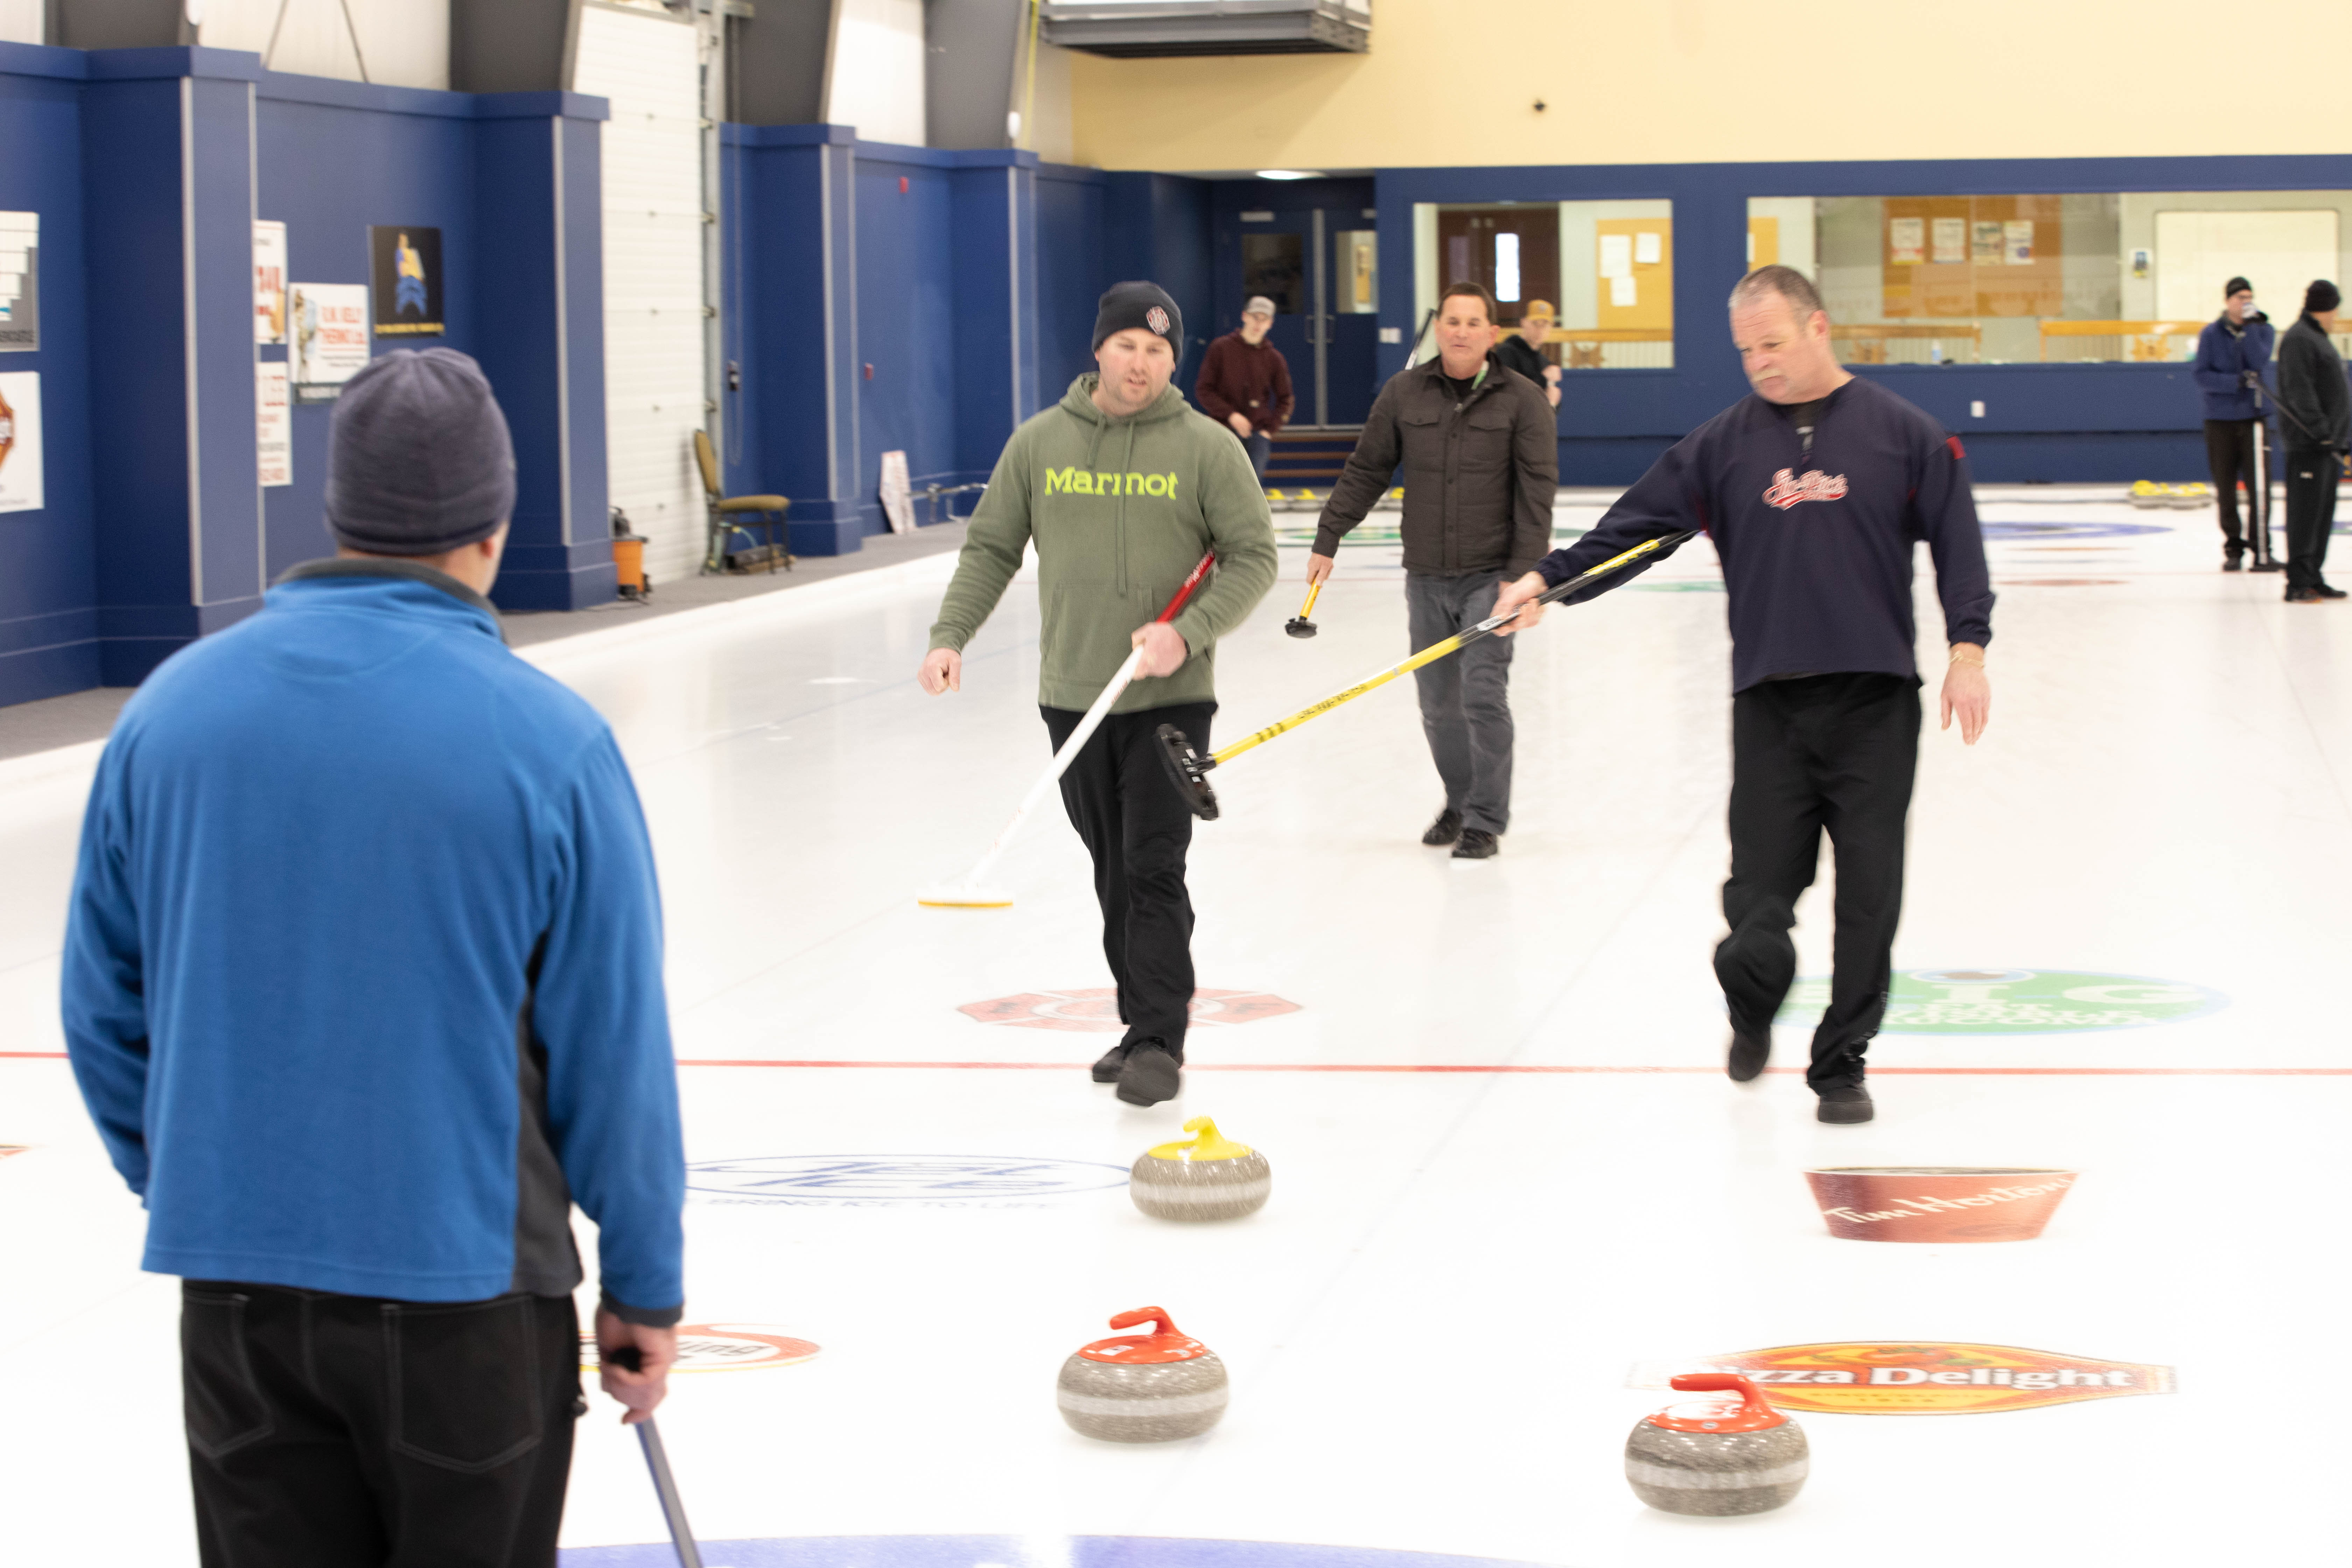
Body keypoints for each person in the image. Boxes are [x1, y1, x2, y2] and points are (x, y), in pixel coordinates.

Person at [61, 349, 686, 1564]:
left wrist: (195, 1181)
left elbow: (102, 1008)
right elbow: (610, 1050)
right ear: (494, 526)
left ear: (338, 509)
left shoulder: (167, 716)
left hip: (236, 1291)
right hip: (469, 1295)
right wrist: (642, 1285)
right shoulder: (548, 742)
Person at [1492, 265, 1993, 1125]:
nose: (1759, 362)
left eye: (1773, 343)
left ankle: (1841, 1063)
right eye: (1745, 350)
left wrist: (1968, 650)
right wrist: (1547, 581)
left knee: (1869, 898)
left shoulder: (1905, 435)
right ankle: (1753, 1006)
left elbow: (1959, 544)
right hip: (1770, 704)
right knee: (1757, 901)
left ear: (1818, 328)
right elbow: (1634, 532)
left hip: (1876, 703)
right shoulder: (1722, 446)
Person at [922, 282, 1277, 1106]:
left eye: (1157, 350)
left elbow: (1254, 556)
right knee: (1114, 870)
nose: (1141, 364)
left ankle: (1158, 1040)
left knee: (1154, 866)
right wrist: (950, 635)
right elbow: (991, 548)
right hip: (1073, 695)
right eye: (1128, 346)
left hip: (1170, 700)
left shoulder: (1207, 448)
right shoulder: (1040, 444)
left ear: (1173, 361)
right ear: (1099, 350)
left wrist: (1188, 632)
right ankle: (1139, 1020)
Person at [1309, 280, 1557, 860]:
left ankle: (1486, 820)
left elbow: (1537, 493)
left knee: (1482, 695)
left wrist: (1524, 577)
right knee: (1439, 704)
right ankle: (1459, 802)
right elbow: (1368, 468)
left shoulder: (1524, 400)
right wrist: (1330, 534)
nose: (1461, 332)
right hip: (1425, 576)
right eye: (1452, 321)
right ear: (1438, 328)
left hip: (1491, 578)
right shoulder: (1404, 393)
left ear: (1492, 334)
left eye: (1473, 323)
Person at [2191, 277, 2277, 571]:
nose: (2246, 302)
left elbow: (2258, 361)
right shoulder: (2210, 334)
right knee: (2226, 488)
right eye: (2240, 297)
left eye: (2249, 297)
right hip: (2220, 421)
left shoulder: (2263, 330)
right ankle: (2233, 548)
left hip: (2254, 420)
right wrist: (2234, 383)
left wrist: (2251, 328)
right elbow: (2201, 375)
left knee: (2259, 489)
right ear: (2228, 301)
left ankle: (2261, 548)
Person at [2274, 279, 2349, 602]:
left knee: (2322, 514)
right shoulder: (2299, 339)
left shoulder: (2316, 337)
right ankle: (2298, 583)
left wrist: (2337, 438)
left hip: (2327, 444)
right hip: (2310, 444)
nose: (2337, 316)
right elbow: (2299, 391)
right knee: (2305, 514)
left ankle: (2314, 577)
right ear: (2326, 308)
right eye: (2335, 309)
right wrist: (2320, 430)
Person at [1195, 295, 1295, 484]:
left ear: (1270, 324)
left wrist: (1269, 430)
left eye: (1264, 319)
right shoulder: (1221, 348)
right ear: (1244, 316)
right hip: (1222, 430)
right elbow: (1203, 390)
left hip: (1258, 435)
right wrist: (1231, 415)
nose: (1259, 323)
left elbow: (1286, 399)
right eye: (1255, 317)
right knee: (1220, 486)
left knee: (1251, 489)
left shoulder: (1274, 358)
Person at [1491, 298, 1565, 410]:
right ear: (1524, 323)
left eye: (1545, 325)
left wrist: (1553, 403)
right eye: (1535, 323)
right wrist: (1544, 379)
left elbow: (1549, 408)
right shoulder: (1507, 353)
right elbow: (1509, 393)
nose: (1540, 330)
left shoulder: (1544, 362)